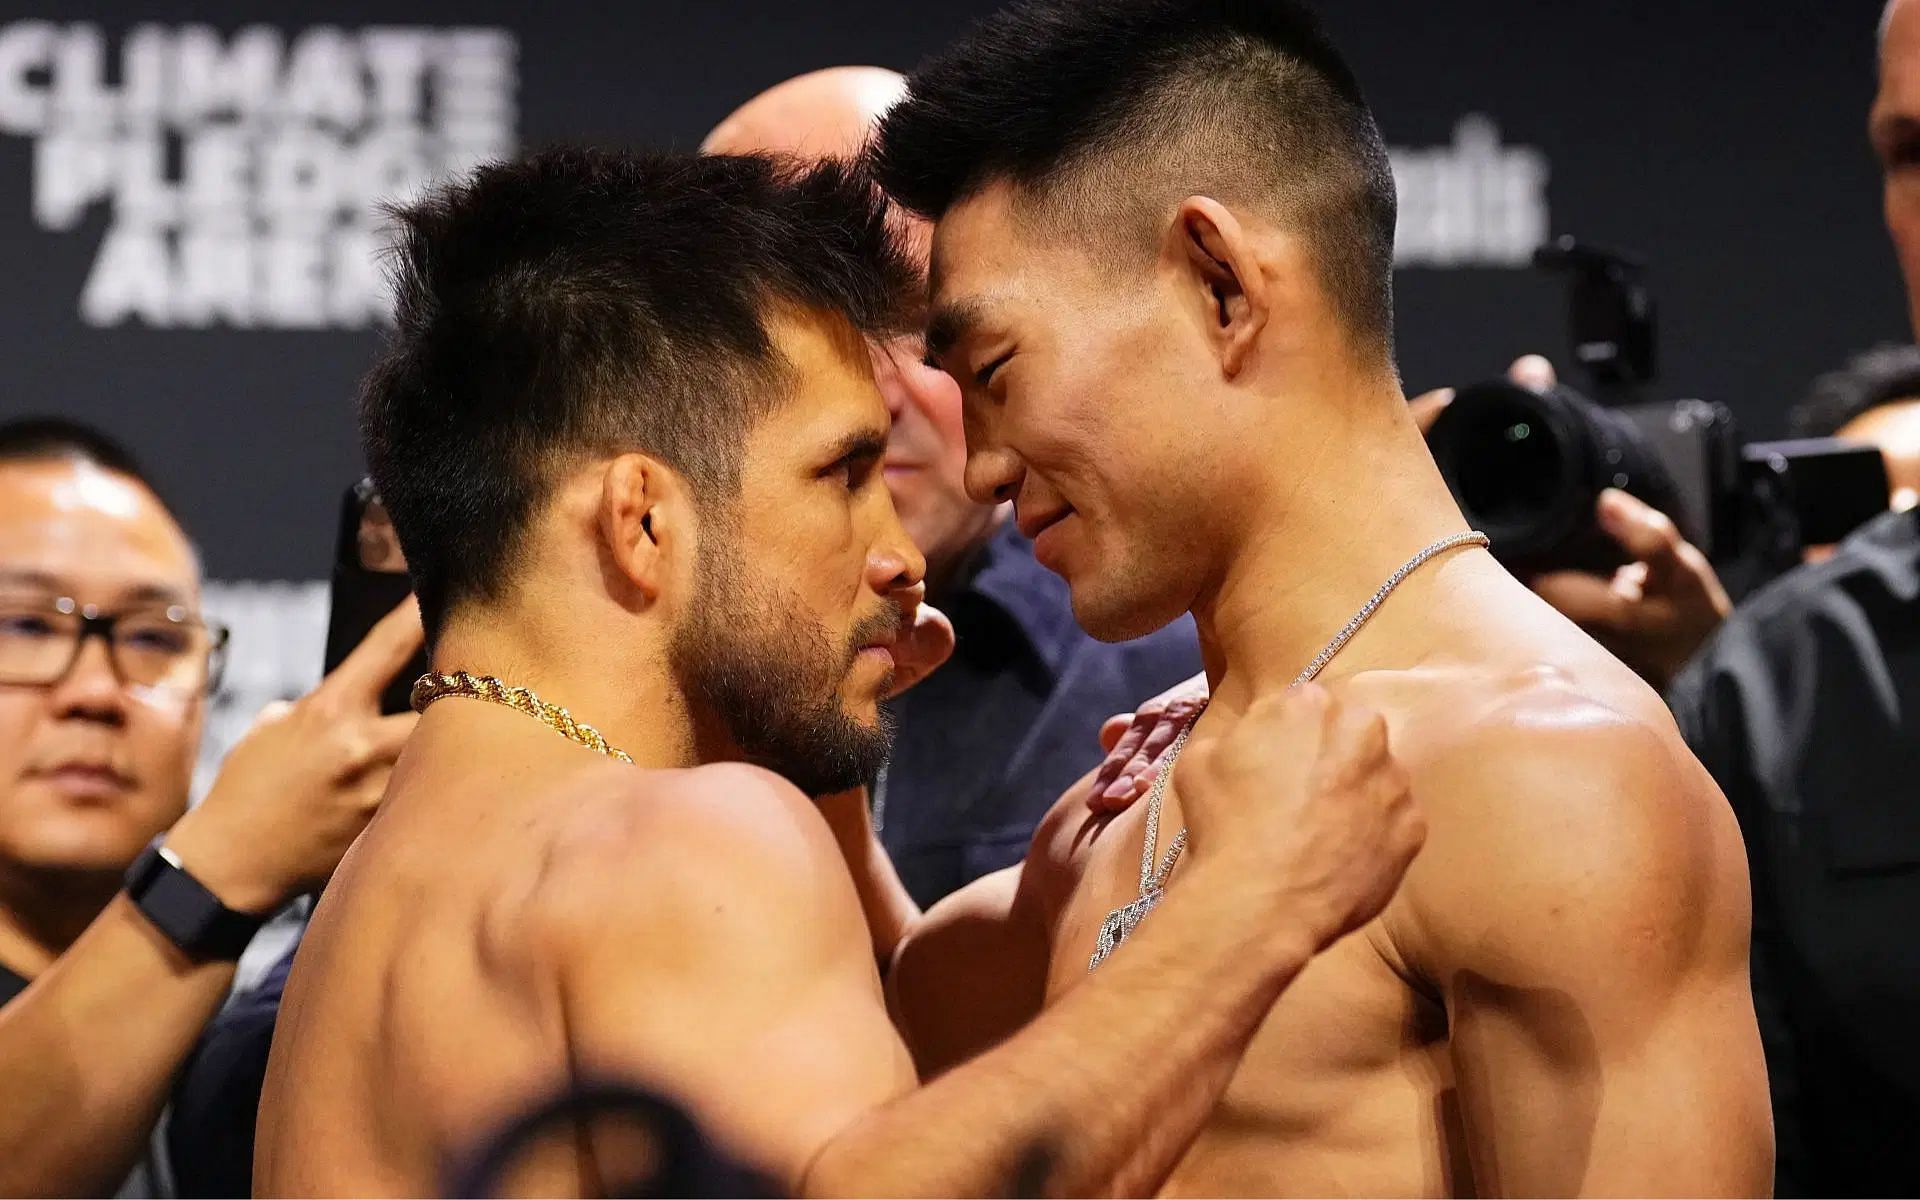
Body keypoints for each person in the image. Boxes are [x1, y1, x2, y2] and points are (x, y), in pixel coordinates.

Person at [253, 147, 1425, 1196]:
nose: (901, 552)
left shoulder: (377, 893)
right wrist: (1252, 899)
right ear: (642, 522)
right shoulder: (681, 840)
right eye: (844, 471)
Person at [866, 0, 1772, 1193]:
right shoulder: (1129, 792)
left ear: (1220, 286)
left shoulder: (1545, 769)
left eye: (994, 371)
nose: (981, 462)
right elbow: (902, 1066)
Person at [704, 67, 1201, 907]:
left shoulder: (1177, 676)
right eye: (784, 334)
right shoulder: (567, 695)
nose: (865, 403)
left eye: (911, 327)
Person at [0, 416, 421, 1196]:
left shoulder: (268, 1034)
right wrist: (218, 869)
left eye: (153, 638)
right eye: (23, 624)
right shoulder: (222, 897)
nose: (96, 692)